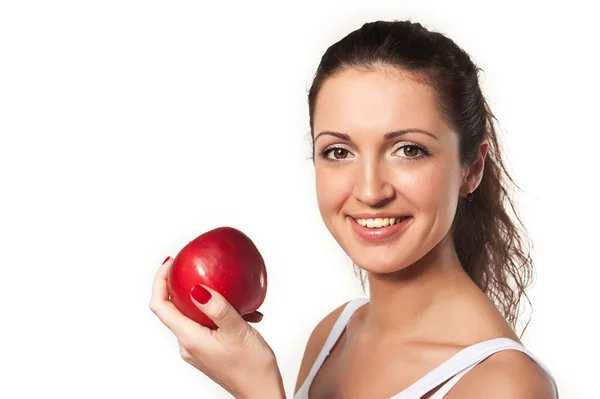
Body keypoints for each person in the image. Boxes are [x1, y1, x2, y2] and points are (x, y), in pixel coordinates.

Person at [150, 20, 559, 398]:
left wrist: (258, 390)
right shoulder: (333, 335)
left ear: (472, 168)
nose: (369, 190)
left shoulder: (506, 385)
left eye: (408, 150)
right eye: (339, 151)